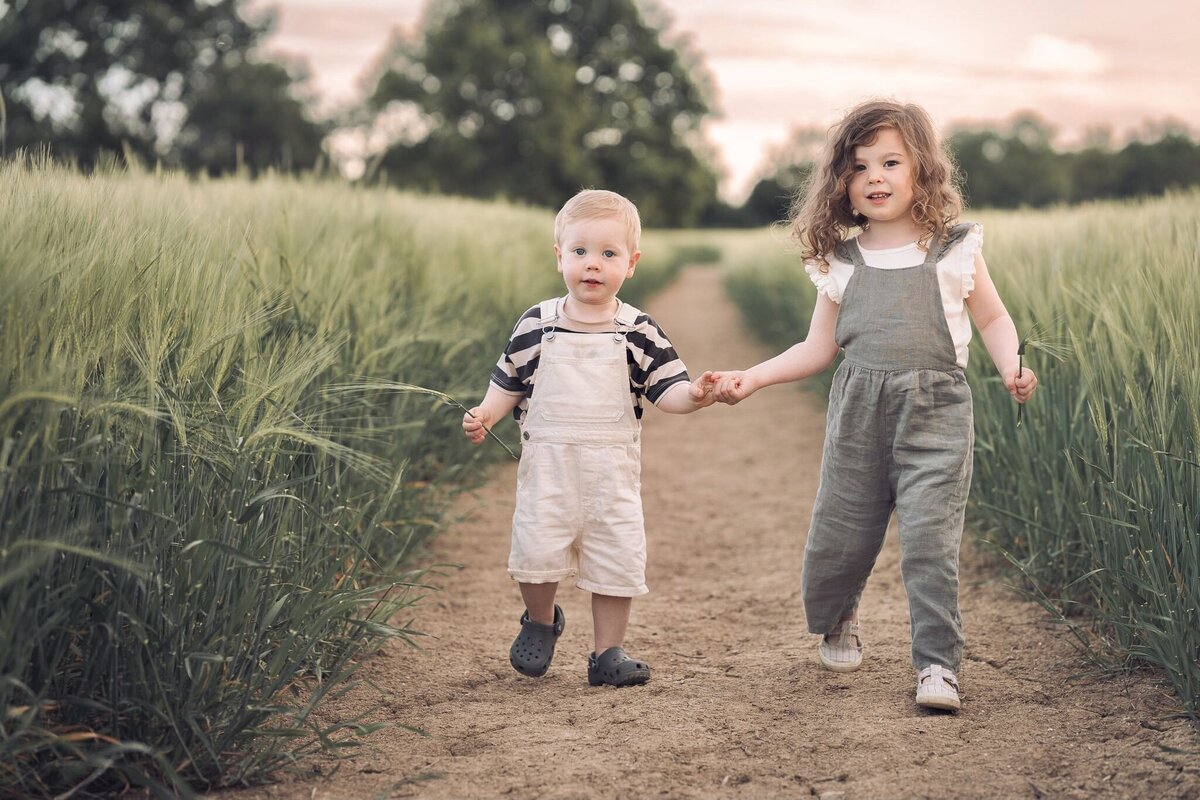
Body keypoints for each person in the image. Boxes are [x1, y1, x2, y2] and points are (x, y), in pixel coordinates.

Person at [711, 99, 1038, 712]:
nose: (876, 177)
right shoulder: (842, 261)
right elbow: (816, 348)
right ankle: (839, 614)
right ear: (843, 183)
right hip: (859, 412)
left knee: (929, 544)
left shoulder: (956, 249)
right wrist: (751, 378)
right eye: (860, 167)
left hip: (938, 413)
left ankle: (937, 664)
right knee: (841, 534)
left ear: (923, 171)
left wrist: (1011, 366)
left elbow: (991, 317)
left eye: (891, 162)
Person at [463, 189, 716, 688]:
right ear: (559, 257)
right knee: (535, 554)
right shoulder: (537, 324)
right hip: (548, 470)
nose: (592, 265)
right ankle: (540, 619)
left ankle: (607, 653)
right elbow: (508, 382)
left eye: (608, 254)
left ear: (632, 263)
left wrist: (699, 394)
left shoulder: (638, 330)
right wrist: (486, 413)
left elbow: (667, 391)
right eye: (579, 252)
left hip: (610, 474)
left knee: (616, 559)